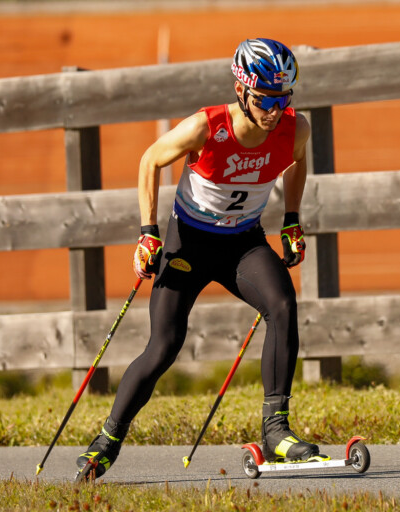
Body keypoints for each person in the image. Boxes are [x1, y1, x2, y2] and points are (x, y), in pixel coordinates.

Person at [75, 37, 326, 481]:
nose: (275, 110)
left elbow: (297, 161)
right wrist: (147, 233)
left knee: (283, 305)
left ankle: (276, 429)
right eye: (266, 99)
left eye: (283, 98)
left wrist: (291, 219)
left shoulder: (294, 128)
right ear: (242, 90)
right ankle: (108, 438)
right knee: (164, 345)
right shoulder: (205, 127)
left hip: (242, 243)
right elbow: (150, 160)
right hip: (188, 243)